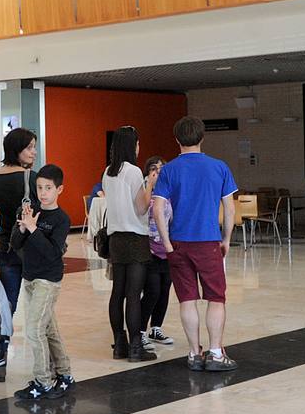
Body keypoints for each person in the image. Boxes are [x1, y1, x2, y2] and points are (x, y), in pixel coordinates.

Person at [151, 115, 238, 372]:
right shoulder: (219, 167)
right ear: (202, 137)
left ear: (177, 140)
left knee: (187, 299)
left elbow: (157, 209)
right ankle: (215, 353)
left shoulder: (168, 170)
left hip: (178, 242)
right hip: (209, 241)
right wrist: (226, 239)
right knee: (216, 298)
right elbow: (229, 209)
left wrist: (166, 243)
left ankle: (193, 354)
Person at [10, 164, 74, 399]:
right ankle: (65, 374)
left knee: (34, 330)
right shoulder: (32, 211)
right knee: (48, 329)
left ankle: (43, 381)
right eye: (39, 188)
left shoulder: (61, 219)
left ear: (60, 189)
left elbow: (52, 253)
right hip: (30, 277)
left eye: (48, 188)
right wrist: (24, 227)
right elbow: (15, 244)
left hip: (48, 280)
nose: (43, 193)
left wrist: (34, 229)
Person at [101, 125, 157, 361]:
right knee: (134, 294)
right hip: (135, 238)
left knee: (118, 293)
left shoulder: (107, 172)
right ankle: (136, 347)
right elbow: (142, 207)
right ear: (132, 146)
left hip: (115, 239)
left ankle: (119, 344)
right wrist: (151, 183)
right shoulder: (133, 172)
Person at [0, 127, 38, 342]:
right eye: (29, 148)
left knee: (8, 302)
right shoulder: (32, 177)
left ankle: (0, 353)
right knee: (39, 305)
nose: (33, 152)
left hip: (5, 246)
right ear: (16, 149)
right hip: (31, 248)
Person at [139, 156, 174, 346]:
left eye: (161, 168)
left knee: (165, 289)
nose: (158, 172)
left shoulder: (168, 193)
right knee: (152, 290)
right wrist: (149, 186)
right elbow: (140, 212)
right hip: (149, 248)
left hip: (166, 248)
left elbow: (171, 220)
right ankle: (141, 331)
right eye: (154, 168)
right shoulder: (145, 192)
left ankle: (156, 328)